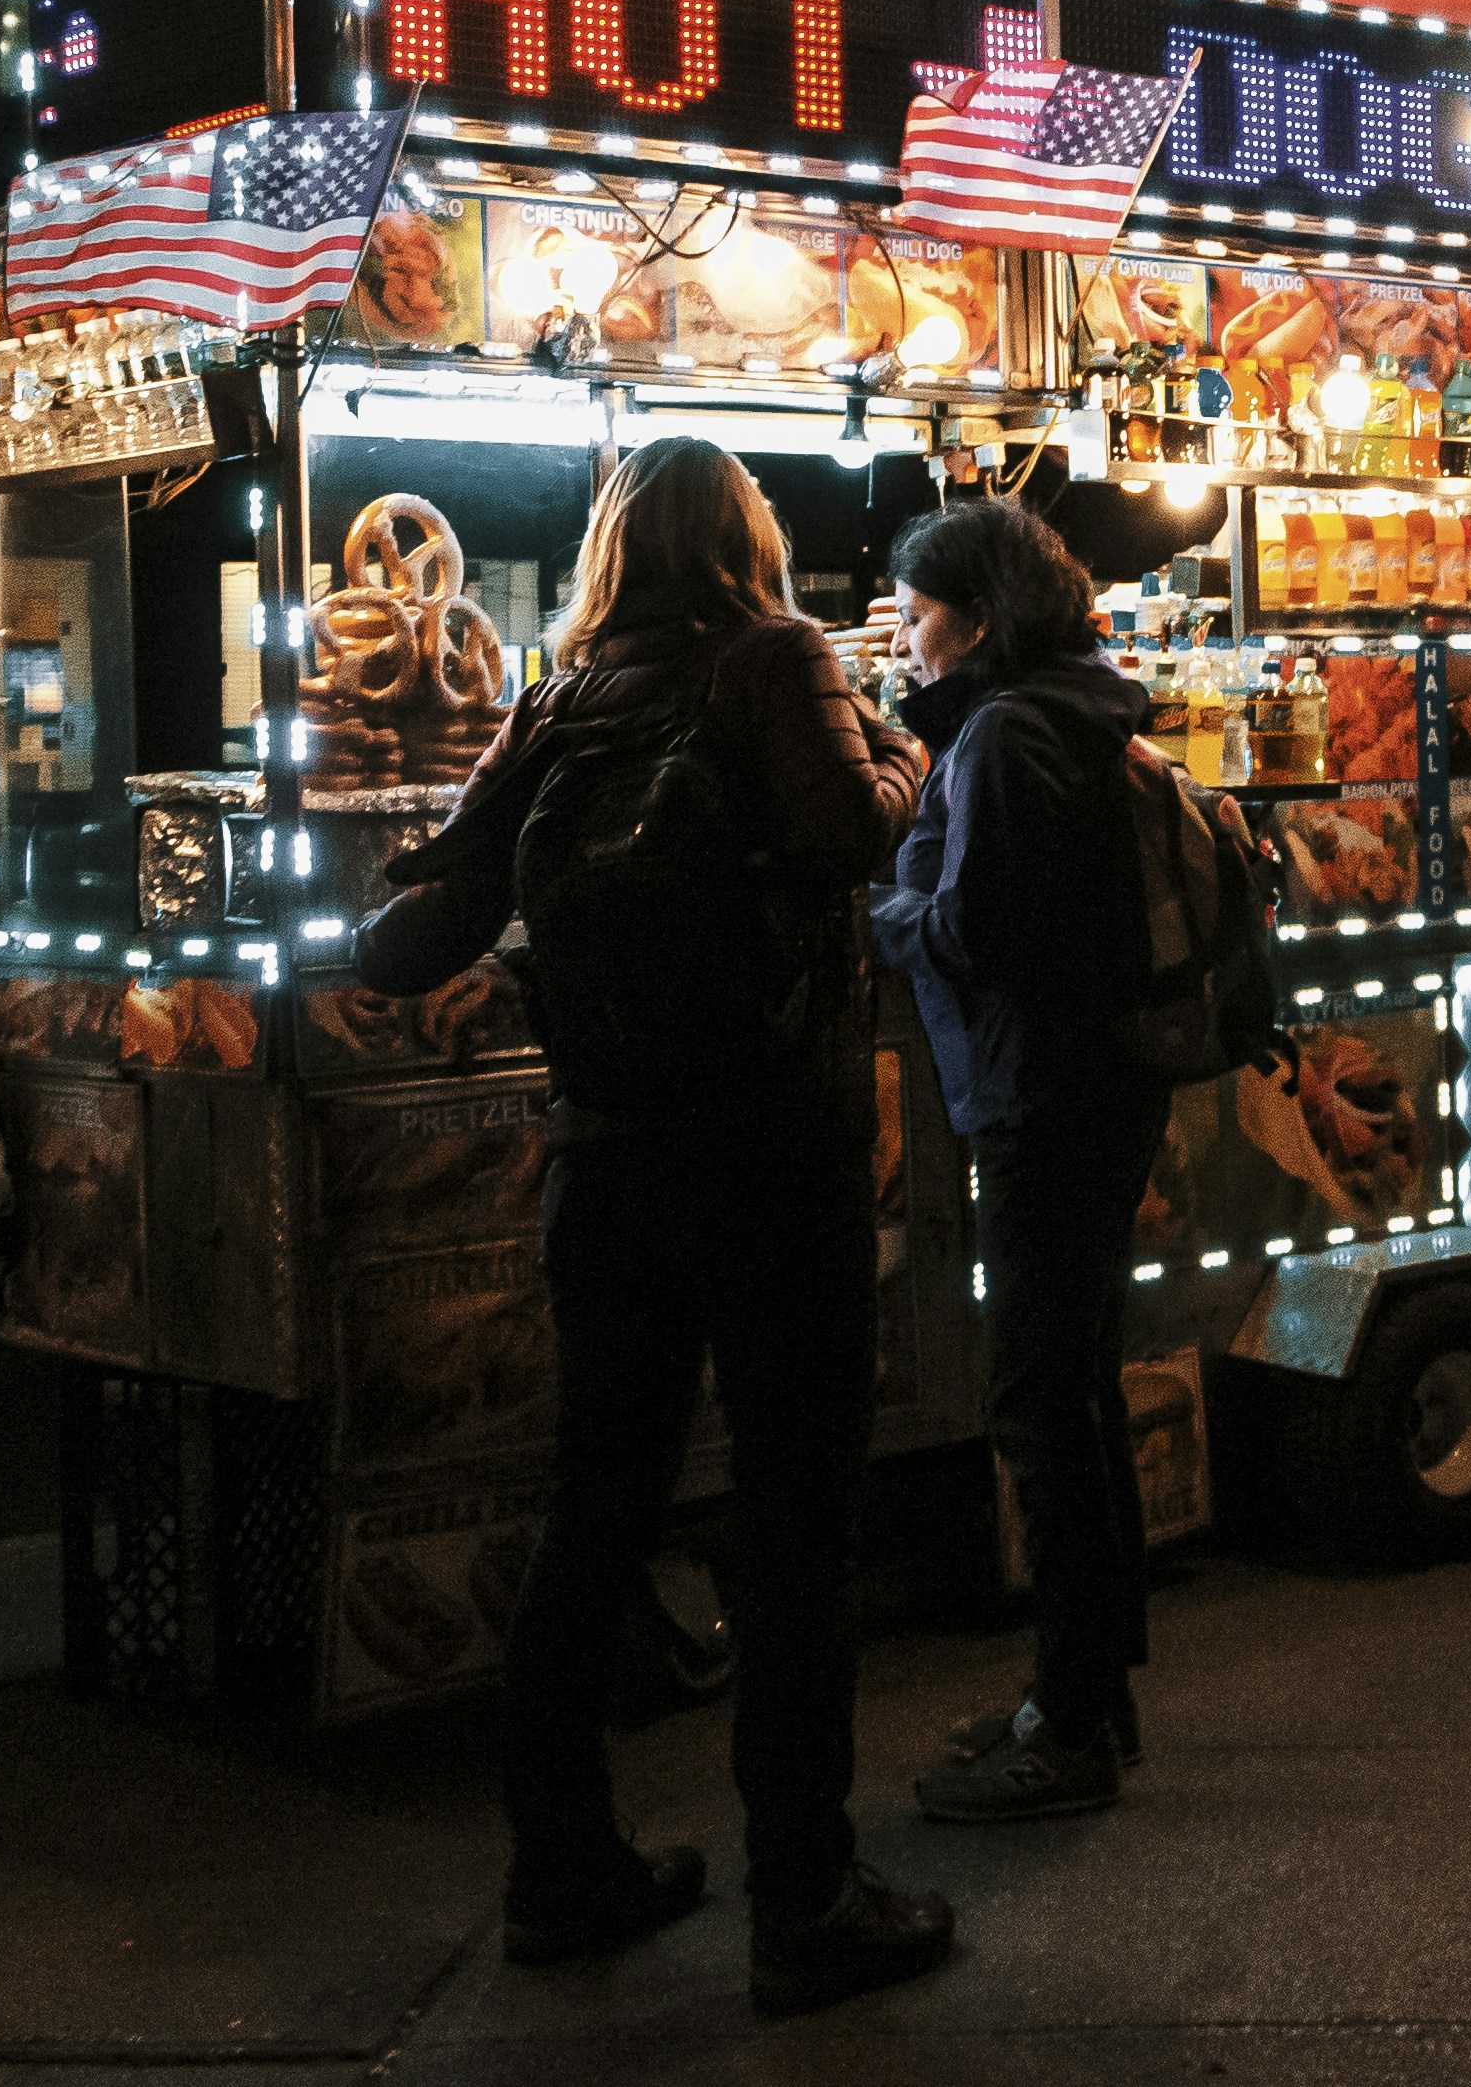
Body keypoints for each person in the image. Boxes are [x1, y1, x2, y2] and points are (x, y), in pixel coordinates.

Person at [356, 437, 955, 2019]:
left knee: (595, 1515)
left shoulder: (552, 705)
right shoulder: (780, 660)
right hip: (771, 1160)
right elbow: (844, 836)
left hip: (606, 1166)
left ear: (611, 552)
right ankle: (804, 1898)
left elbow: (417, 932)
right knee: (790, 1525)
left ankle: (562, 1874)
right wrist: (899, 756)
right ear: (744, 540)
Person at [869, 496, 1170, 1822]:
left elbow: (976, 929)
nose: (910, 641)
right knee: (1078, 1392)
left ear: (978, 619)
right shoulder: (1073, 709)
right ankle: (1085, 1693)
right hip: (1098, 1086)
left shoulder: (1001, 732)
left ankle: (1075, 1732)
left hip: (1038, 1094)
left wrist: (882, 911)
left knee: (1038, 1406)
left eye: (922, 615)